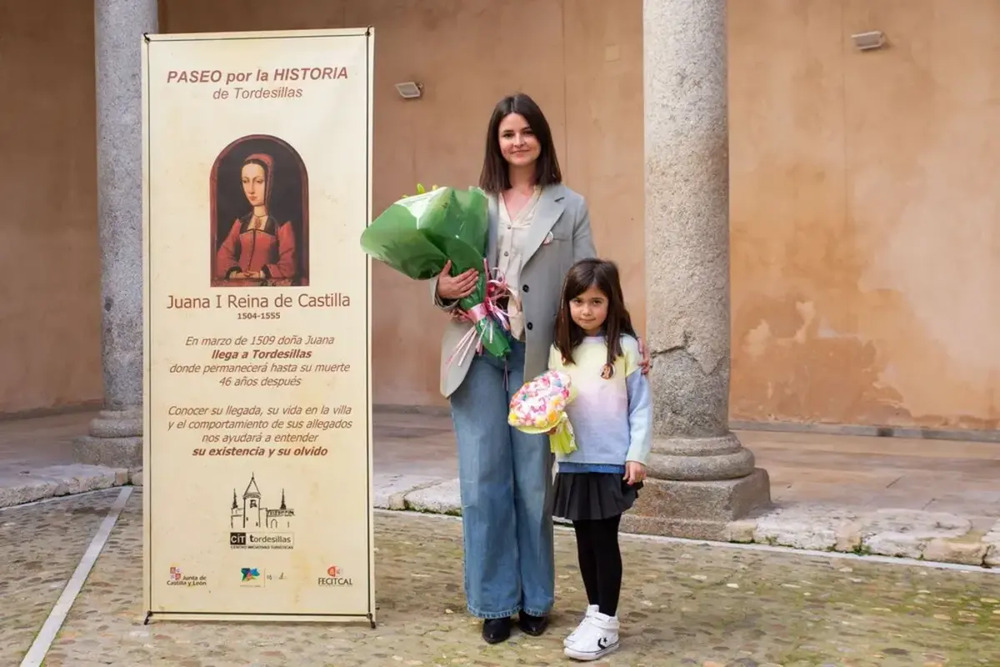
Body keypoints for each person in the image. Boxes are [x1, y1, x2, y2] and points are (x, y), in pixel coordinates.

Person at [430, 92, 597, 644]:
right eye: (507, 133)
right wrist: (442, 288)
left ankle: (536, 598)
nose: (517, 141)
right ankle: (494, 600)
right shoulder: (472, 204)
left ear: (541, 138)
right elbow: (445, 275)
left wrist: (616, 341)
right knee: (482, 484)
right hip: (474, 356)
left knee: (532, 486)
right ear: (495, 142)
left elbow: (587, 284)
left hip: (536, 364)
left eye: (526, 131)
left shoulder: (569, 205)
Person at [547, 258, 651, 661]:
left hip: (611, 461)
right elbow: (553, 396)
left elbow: (640, 406)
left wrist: (636, 454)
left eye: (596, 301)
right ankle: (594, 612)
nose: (586, 310)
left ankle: (608, 621)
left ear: (611, 302)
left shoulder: (625, 348)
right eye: (578, 301)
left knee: (605, 540)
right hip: (574, 460)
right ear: (567, 304)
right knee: (584, 540)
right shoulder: (561, 350)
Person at [215, 153, 298, 281]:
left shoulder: (281, 225)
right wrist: (236, 274)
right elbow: (223, 255)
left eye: (258, 181)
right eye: (245, 181)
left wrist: (261, 274)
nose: (251, 189)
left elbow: (289, 265)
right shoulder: (241, 223)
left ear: (270, 182)